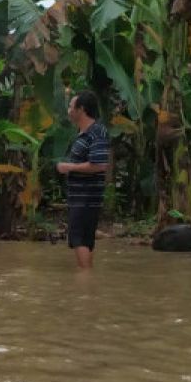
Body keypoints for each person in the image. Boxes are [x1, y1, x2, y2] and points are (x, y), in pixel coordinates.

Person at [57, 90, 110, 269]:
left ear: (82, 109)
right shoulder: (83, 133)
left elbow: (99, 165)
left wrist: (68, 167)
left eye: (72, 107)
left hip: (87, 197)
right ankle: (87, 281)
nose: (69, 110)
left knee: (78, 237)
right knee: (85, 239)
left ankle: (85, 279)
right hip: (80, 197)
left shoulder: (96, 132)